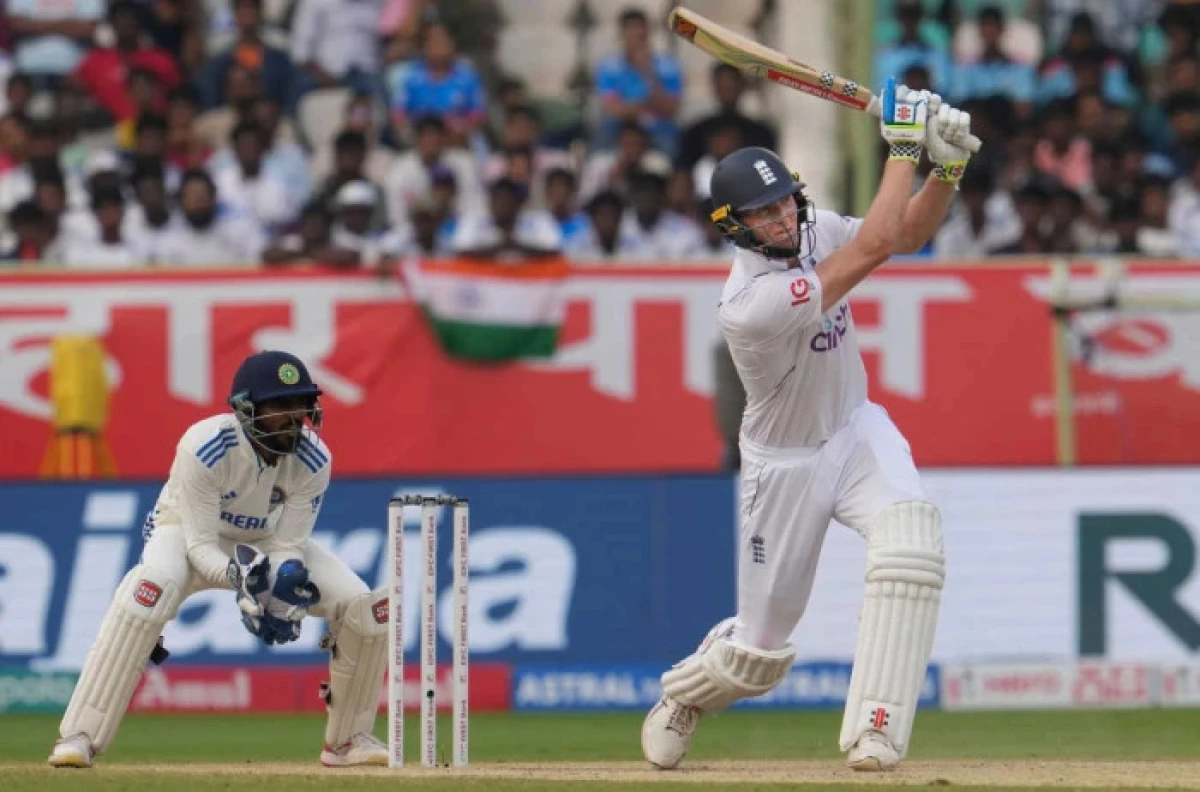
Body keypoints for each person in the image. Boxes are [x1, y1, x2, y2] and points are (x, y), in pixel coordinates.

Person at [640, 81, 975, 772]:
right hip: (783, 464)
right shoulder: (750, 303)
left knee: (911, 544)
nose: (784, 218)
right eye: (762, 214)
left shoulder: (812, 225)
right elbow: (877, 243)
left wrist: (947, 168)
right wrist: (906, 146)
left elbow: (906, 234)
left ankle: (876, 728)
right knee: (759, 657)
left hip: (854, 429)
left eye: (786, 200)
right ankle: (686, 691)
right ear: (735, 227)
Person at [48, 351, 389, 768]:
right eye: (280, 405)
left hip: (262, 538)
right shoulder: (205, 446)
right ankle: (80, 736)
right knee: (148, 592)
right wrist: (244, 579)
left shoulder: (314, 458)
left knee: (362, 605)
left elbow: (287, 545)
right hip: (184, 534)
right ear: (247, 409)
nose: (295, 416)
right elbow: (200, 548)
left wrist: (283, 582)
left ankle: (347, 741)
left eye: (301, 403)